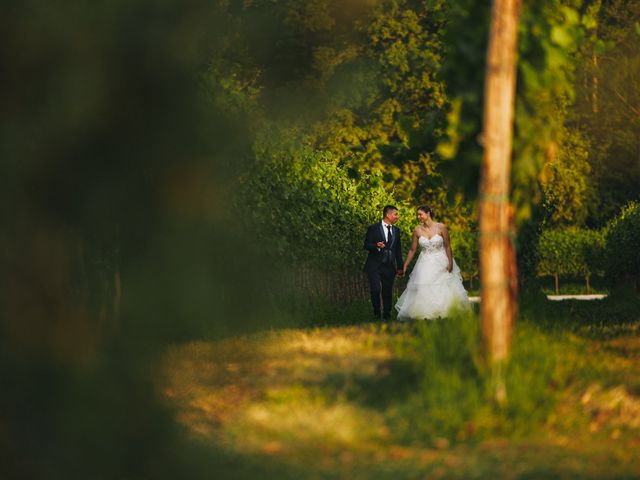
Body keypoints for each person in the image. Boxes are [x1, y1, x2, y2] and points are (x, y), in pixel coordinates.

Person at [395, 205, 469, 320]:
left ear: (428, 213)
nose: (418, 217)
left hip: (441, 261)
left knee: (443, 287)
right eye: (417, 215)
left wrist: (450, 263)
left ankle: (446, 312)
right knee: (424, 287)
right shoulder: (417, 230)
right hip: (424, 262)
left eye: (420, 214)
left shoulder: (441, 227)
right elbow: (412, 250)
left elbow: (448, 246)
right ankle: (425, 314)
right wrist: (404, 266)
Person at [363, 205, 404, 320]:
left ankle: (387, 314)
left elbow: (398, 250)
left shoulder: (396, 231)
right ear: (388, 214)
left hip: (389, 266)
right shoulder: (373, 228)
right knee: (375, 289)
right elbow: (366, 245)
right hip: (374, 265)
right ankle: (377, 311)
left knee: (387, 291)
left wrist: (400, 267)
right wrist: (376, 246)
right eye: (395, 214)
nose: (397, 216)